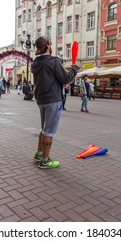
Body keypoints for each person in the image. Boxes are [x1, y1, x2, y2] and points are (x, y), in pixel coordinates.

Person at [31, 36, 79, 169]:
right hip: (53, 99)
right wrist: (74, 69)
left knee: (44, 129)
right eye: (50, 44)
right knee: (49, 131)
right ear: (47, 46)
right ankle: (45, 160)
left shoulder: (36, 63)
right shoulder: (53, 61)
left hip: (41, 99)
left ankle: (39, 154)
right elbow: (65, 78)